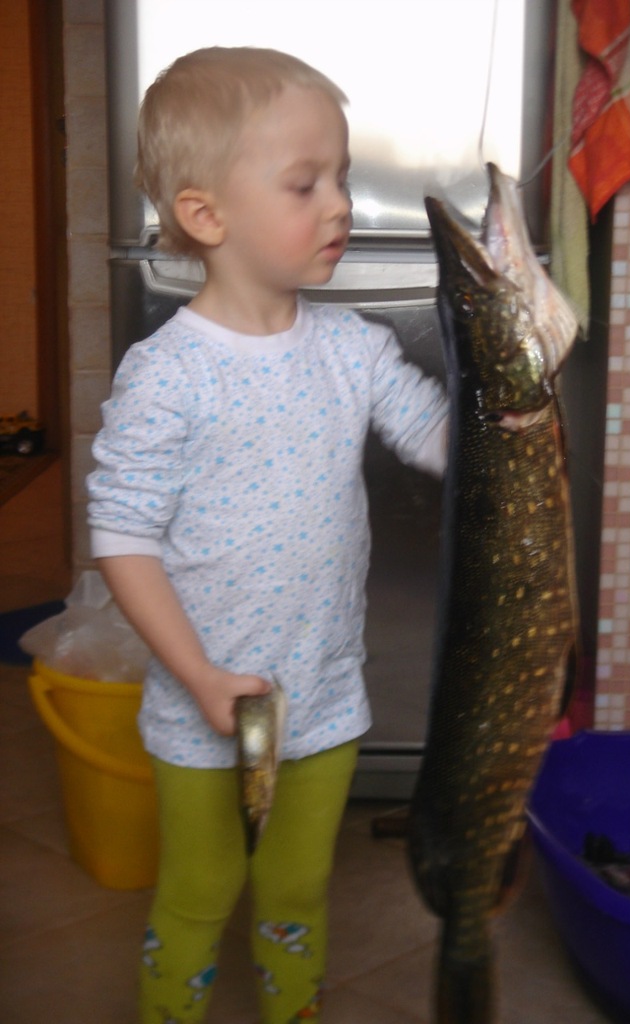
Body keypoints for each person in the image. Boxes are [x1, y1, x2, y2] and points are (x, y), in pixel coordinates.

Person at [87, 47, 447, 1024]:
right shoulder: (168, 374)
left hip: (322, 695)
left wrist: (518, 392)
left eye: (342, 179)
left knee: (295, 893)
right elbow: (122, 536)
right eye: (305, 184)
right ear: (207, 216)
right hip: (204, 701)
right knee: (199, 895)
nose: (341, 206)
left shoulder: (355, 349)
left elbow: (444, 440)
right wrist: (199, 676)